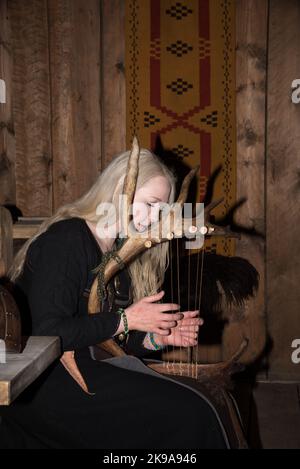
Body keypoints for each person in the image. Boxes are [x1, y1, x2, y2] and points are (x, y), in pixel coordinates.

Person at [0, 148, 228, 449]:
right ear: (121, 189)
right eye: (150, 204)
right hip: (41, 383)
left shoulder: (118, 254)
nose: (153, 219)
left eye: (161, 211)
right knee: (189, 412)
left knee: (204, 402)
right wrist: (127, 319)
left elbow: (101, 337)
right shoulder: (68, 239)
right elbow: (49, 331)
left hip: (84, 368)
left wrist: (153, 338)